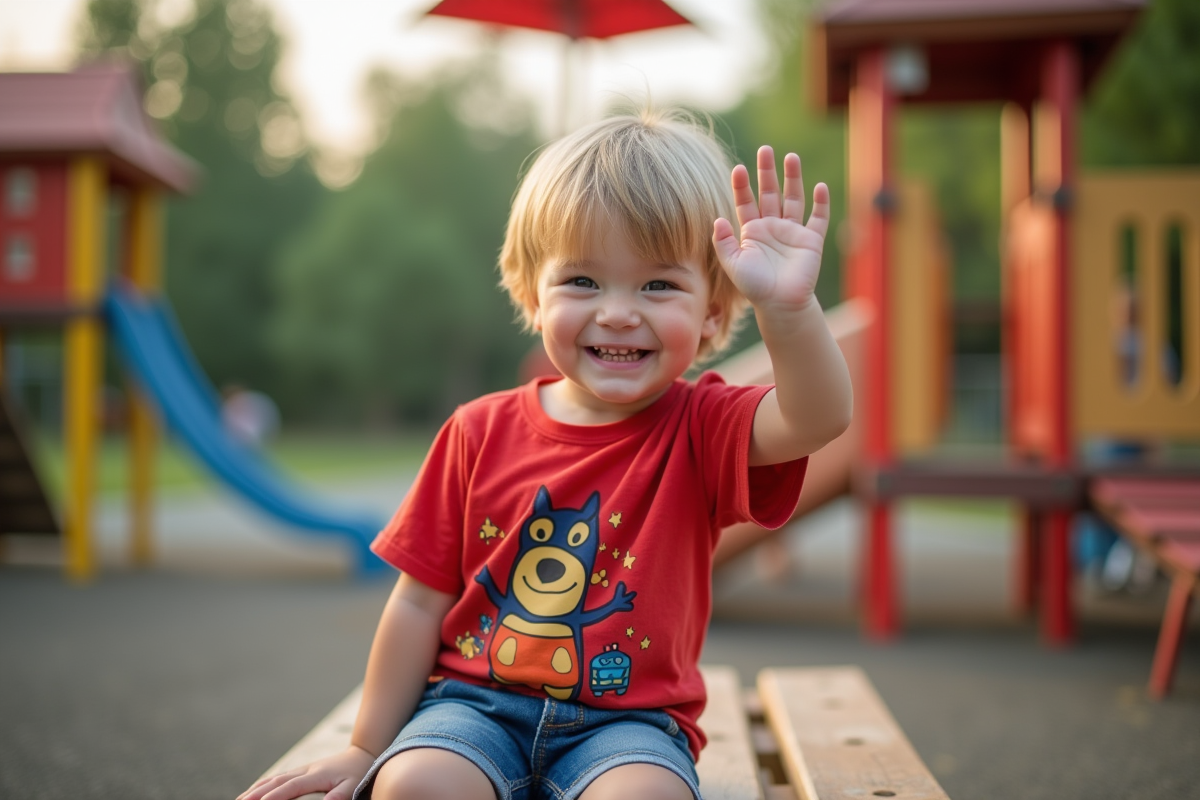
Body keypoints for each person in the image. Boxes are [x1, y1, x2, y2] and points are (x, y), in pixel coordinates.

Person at [239, 109, 852, 800]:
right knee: (415, 786)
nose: (619, 311)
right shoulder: (477, 431)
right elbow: (417, 604)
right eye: (583, 282)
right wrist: (363, 749)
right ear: (532, 295)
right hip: (472, 707)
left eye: (658, 284)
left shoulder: (704, 425)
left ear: (713, 311)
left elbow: (818, 418)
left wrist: (788, 310)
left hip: (631, 725)